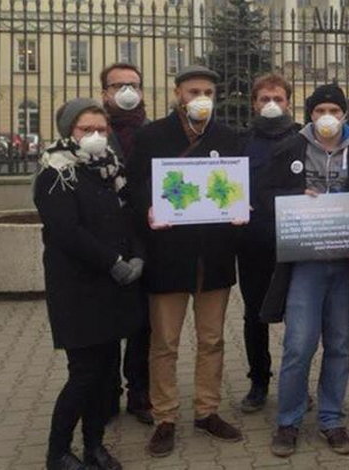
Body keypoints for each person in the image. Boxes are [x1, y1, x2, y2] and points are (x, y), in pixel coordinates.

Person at [127, 65, 244, 457]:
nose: (201, 98)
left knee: (211, 340)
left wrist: (242, 209)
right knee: (165, 342)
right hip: (168, 256)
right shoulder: (152, 136)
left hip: (214, 256)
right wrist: (147, 210)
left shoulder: (228, 137)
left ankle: (207, 410)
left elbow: (238, 187)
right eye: (194, 90)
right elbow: (136, 186)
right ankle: (165, 417)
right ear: (178, 93)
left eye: (208, 91)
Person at [260, 83, 349, 458]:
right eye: (319, 110)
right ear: (309, 114)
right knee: (299, 344)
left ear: (344, 114)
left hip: (347, 265)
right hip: (305, 264)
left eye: (334, 110)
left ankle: (331, 419)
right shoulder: (290, 148)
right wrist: (294, 201)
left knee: (340, 344)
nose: (326, 117)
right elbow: (265, 195)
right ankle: (288, 420)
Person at [34, 98, 144, 470]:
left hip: (112, 289)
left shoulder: (110, 169)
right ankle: (58, 452)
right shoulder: (56, 171)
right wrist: (112, 262)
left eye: (102, 129)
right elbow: (67, 231)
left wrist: (137, 254)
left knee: (104, 374)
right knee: (83, 374)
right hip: (77, 289)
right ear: (69, 132)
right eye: (86, 129)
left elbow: (128, 216)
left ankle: (94, 445)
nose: (96, 136)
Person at [236, 73, 299, 413]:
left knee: (298, 316)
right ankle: (259, 381)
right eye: (264, 99)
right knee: (254, 315)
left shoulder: (305, 139)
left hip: (295, 241)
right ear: (254, 103)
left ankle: (295, 382)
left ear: (289, 102)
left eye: (278, 98)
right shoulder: (242, 142)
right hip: (253, 242)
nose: (271, 105)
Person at [99, 61, 153, 425]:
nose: (126, 92)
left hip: (148, 238)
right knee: (105, 322)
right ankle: (106, 394)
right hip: (107, 241)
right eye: (118, 85)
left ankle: (139, 393)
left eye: (132, 84)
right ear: (105, 92)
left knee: (142, 324)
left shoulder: (153, 132)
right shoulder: (93, 132)